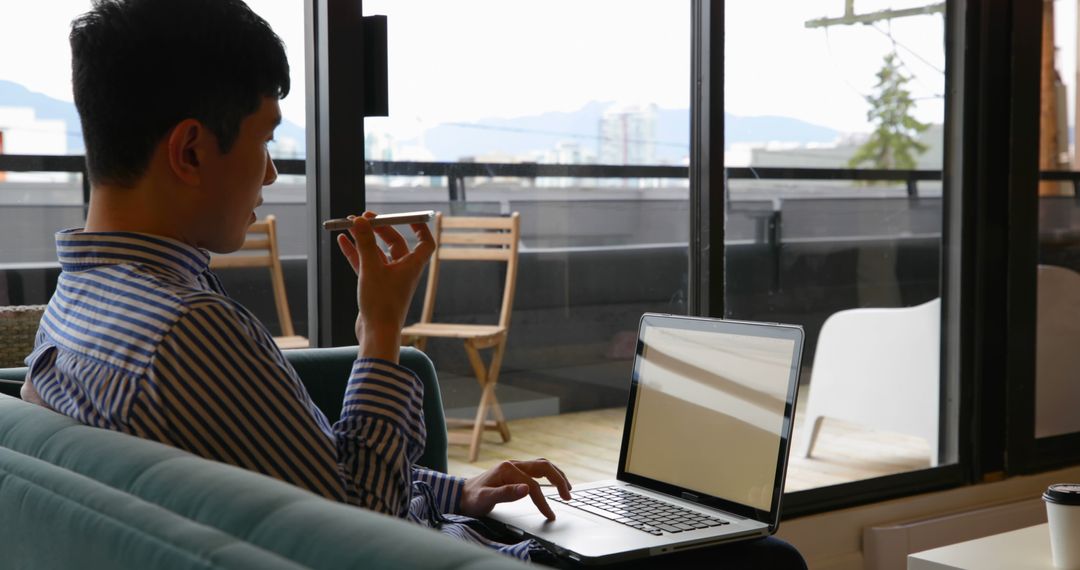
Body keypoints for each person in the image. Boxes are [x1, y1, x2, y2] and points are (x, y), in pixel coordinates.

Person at [20, 1, 805, 567]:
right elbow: (359, 524)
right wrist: (380, 331)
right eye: (263, 140)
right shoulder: (189, 330)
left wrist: (458, 492)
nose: (270, 171)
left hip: (425, 528)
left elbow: (307, 475)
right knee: (768, 559)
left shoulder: (75, 307)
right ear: (190, 151)